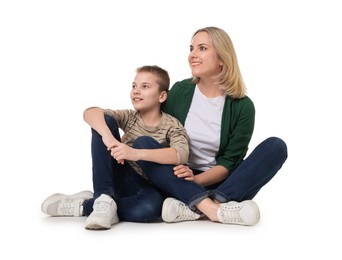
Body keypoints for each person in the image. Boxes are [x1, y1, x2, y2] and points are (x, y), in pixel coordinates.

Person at [137, 26, 288, 226]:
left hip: (218, 182)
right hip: (176, 176)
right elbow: (153, 127)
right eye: (191, 48)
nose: (192, 55)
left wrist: (195, 182)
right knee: (142, 143)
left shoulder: (243, 106)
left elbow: (229, 163)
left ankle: (204, 204)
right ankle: (218, 209)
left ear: (221, 58)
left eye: (202, 48)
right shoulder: (179, 91)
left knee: (276, 147)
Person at [41, 65, 190, 230]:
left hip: (146, 185)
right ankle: (103, 198)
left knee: (151, 208)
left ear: (162, 96)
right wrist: (108, 136)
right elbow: (90, 112)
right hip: (120, 172)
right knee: (104, 121)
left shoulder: (172, 125)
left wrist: (135, 153)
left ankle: (85, 205)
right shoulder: (129, 116)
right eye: (134, 86)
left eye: (145, 87)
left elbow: (180, 154)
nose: (136, 91)